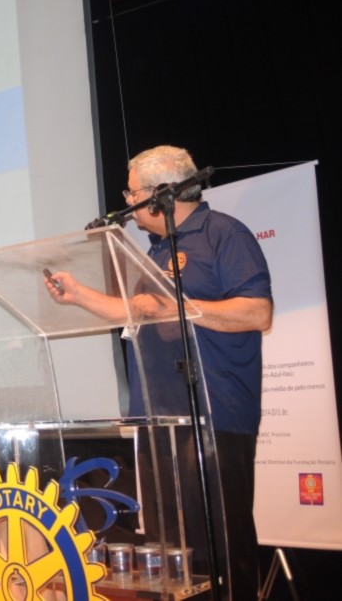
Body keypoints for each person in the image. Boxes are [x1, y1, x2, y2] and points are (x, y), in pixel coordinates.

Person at [45, 145, 272, 600]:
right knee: (171, 551)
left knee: (220, 547)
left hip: (214, 414)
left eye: (131, 193)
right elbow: (139, 310)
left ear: (160, 194)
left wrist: (181, 308)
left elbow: (257, 312)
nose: (127, 202)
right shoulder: (153, 251)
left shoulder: (223, 234)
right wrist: (78, 294)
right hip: (158, 420)